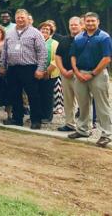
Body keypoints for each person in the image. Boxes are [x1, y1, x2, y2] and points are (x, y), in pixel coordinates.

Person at [68, 12, 111, 148]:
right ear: (84, 23)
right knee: (83, 103)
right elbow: (73, 56)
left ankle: (106, 134)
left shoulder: (104, 37)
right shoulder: (79, 37)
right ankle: (82, 130)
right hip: (80, 74)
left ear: (98, 22)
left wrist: (92, 74)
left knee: (102, 105)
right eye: (88, 21)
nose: (90, 23)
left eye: (93, 21)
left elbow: (107, 58)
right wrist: (76, 71)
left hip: (97, 75)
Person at [0, 9, 48, 129]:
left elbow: (42, 52)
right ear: (15, 19)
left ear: (27, 18)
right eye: (18, 18)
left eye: (22, 17)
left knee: (33, 95)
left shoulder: (35, 33)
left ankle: (36, 120)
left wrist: (40, 69)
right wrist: (2, 65)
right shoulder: (9, 33)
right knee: (14, 94)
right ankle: (17, 118)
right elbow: (5, 50)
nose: (20, 20)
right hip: (13, 68)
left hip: (29, 68)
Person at [54, 17, 82, 132]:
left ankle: (84, 126)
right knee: (68, 100)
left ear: (81, 25)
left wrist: (74, 70)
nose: (73, 27)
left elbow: (85, 58)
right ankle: (70, 124)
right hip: (65, 75)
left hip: (80, 75)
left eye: (76, 25)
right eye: (71, 25)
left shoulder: (85, 40)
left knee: (83, 101)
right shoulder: (64, 40)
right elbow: (57, 56)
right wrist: (63, 70)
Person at [39, 21, 59, 123]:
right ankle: (38, 114)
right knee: (38, 94)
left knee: (47, 95)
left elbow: (56, 59)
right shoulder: (36, 41)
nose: (45, 30)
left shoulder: (54, 43)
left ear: (50, 32)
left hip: (49, 74)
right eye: (43, 29)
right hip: (37, 73)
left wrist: (47, 71)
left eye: (47, 29)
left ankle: (47, 116)